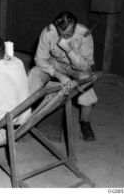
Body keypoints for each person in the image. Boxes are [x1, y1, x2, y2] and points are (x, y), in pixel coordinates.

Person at [28, 11, 98, 141]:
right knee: (34, 73)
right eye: (62, 34)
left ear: (75, 27)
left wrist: (68, 49)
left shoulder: (84, 34)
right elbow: (39, 59)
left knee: (86, 78)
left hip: (76, 68)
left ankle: (85, 123)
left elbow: (86, 65)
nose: (65, 38)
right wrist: (58, 75)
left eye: (69, 34)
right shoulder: (49, 31)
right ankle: (26, 113)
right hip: (55, 65)